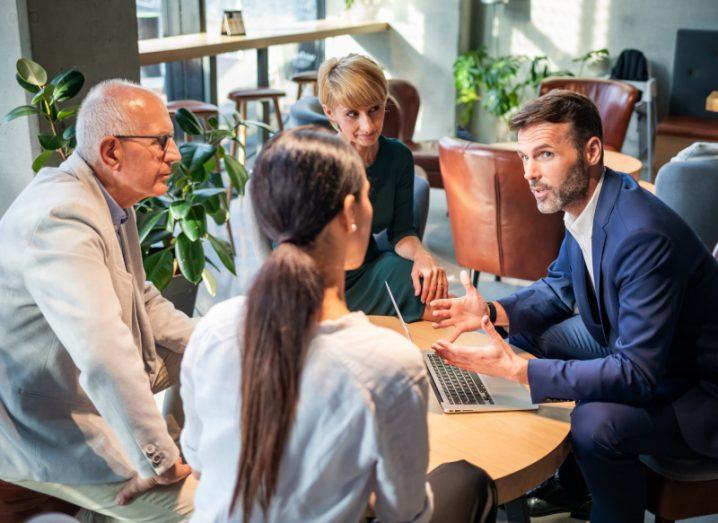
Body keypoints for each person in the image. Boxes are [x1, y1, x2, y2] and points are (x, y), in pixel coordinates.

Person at [180, 126, 497, 523]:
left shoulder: (213, 328)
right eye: (366, 194)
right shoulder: (386, 363)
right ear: (350, 213)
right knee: (468, 481)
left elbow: (198, 463)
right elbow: (403, 512)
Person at [429, 90, 718, 523]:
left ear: (592, 151)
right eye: (525, 158)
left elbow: (637, 375)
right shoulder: (591, 200)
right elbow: (560, 288)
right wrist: (491, 313)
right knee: (525, 337)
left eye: (544, 154)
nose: (529, 173)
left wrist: (521, 372)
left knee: (593, 423)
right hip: (639, 349)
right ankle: (571, 484)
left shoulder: (641, 234)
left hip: (696, 390)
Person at [0, 79, 198, 521]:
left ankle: (177, 454)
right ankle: (158, 470)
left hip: (71, 386)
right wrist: (157, 461)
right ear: (111, 151)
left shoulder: (104, 198)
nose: (175, 154)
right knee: (208, 510)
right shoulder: (61, 219)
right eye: (162, 141)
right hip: (45, 426)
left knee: (204, 353)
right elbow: (105, 356)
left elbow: (142, 299)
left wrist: (220, 341)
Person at [317, 54, 448, 322]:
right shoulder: (318, 161)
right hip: (322, 283)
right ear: (330, 113)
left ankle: (436, 363)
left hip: (370, 268)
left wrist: (422, 255)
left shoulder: (398, 157)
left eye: (375, 109)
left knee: (436, 294)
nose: (368, 125)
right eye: (352, 114)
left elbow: (401, 232)